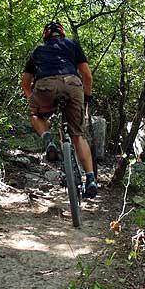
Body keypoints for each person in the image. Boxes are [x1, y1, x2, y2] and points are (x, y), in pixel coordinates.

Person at [21, 22, 97, 198]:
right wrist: (86, 97)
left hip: (45, 86)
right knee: (78, 135)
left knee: (35, 114)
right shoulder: (72, 45)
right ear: (62, 34)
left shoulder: (38, 50)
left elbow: (25, 84)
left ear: (45, 36)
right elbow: (87, 75)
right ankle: (91, 179)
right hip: (72, 85)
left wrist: (34, 101)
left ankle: (48, 140)